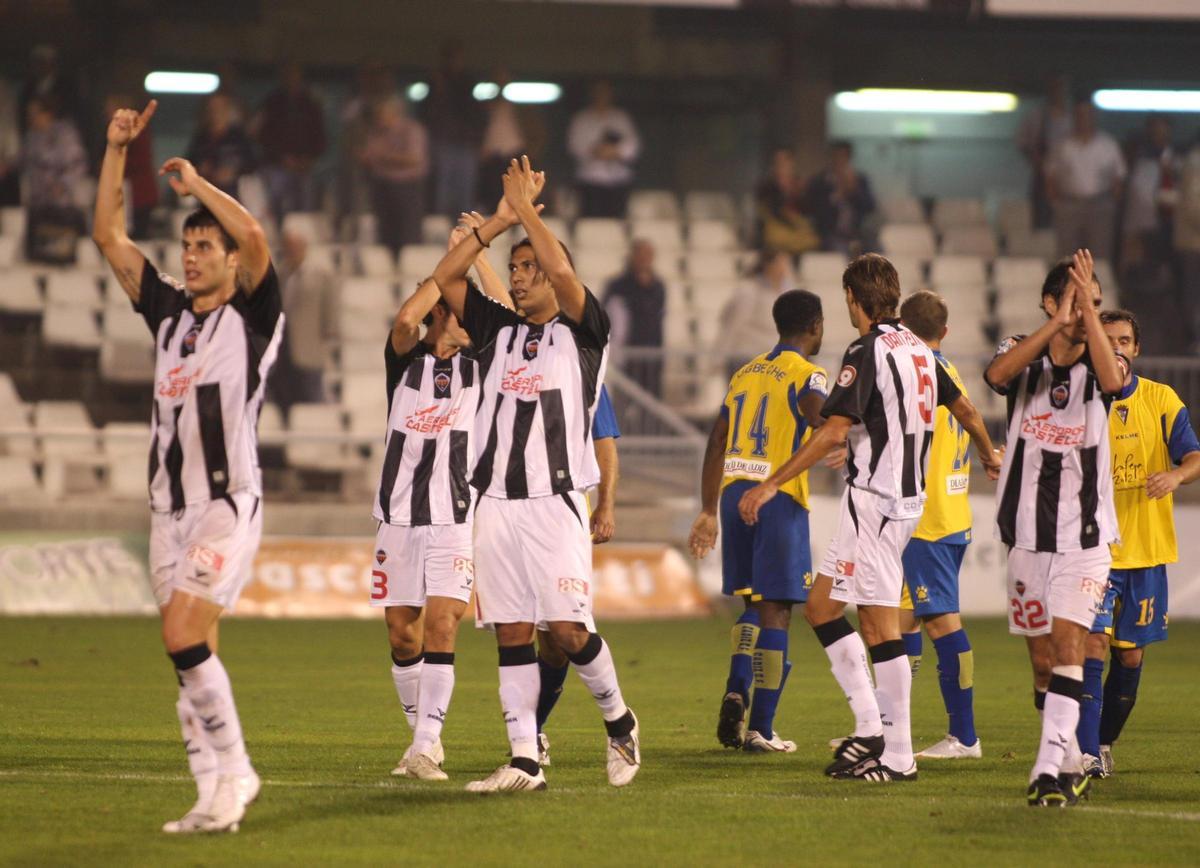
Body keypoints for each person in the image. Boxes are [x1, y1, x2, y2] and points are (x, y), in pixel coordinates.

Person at [93, 101, 283, 832]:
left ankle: (237, 771)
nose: (194, 254)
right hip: (165, 514)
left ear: (232, 263)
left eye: (208, 246)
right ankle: (211, 797)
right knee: (188, 651)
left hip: (225, 504)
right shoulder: (168, 315)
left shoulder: (253, 316)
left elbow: (258, 233)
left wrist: (200, 186)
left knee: (181, 633)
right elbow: (109, 233)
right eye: (189, 246)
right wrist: (117, 151)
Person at [738, 254, 999, 783]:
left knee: (880, 625)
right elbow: (966, 410)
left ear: (853, 299)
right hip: (889, 500)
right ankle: (869, 728)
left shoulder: (869, 349)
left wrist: (770, 483)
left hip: (878, 504)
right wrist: (989, 452)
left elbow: (832, 429)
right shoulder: (923, 352)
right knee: (821, 607)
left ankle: (897, 754)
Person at [431, 155, 640, 792]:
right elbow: (445, 276)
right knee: (514, 635)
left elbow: (562, 269)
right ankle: (523, 759)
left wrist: (524, 213)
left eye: (529, 270)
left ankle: (620, 723)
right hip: (493, 502)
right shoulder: (496, 332)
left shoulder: (583, 335)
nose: (520, 280)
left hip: (554, 502)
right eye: (515, 271)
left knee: (571, 632)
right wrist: (496, 222)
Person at [983, 250, 1124, 807]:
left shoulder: (1103, 360)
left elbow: (1114, 381)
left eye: (1094, 302)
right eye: (1072, 298)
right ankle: (1065, 758)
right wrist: (1059, 319)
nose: (1085, 311)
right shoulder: (1020, 354)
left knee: (1071, 643)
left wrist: (1086, 311)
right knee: (1043, 661)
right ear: (1048, 302)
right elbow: (996, 375)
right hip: (1024, 535)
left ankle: (1047, 771)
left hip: (1085, 538)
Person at [688, 289, 831, 754]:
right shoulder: (809, 374)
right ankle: (762, 729)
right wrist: (836, 437)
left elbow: (716, 441)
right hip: (777, 496)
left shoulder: (745, 373)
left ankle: (736, 688)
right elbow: (818, 417)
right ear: (816, 326)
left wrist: (709, 510)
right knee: (778, 611)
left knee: (752, 603)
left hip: (733, 494)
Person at [372, 221, 489, 783]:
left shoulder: (482, 370)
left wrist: (472, 253)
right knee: (403, 634)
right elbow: (402, 321)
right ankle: (422, 740)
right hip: (397, 518)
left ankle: (425, 744)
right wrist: (441, 277)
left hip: (452, 519)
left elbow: (501, 314)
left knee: (443, 627)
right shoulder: (405, 365)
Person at [1076, 310, 1200, 778]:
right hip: (1096, 555)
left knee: (1129, 656)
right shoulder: (1084, 401)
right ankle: (1085, 753)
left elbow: (1194, 456)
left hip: (1145, 554)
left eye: (1125, 340)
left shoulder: (1161, 399)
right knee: (1092, 645)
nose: (1118, 348)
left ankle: (1103, 742)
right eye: (1107, 342)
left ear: (1137, 348)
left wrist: (1175, 474)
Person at [894, 290, 982, 760]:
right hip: (951, 512)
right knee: (899, 617)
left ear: (901, 329)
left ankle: (964, 737)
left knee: (941, 622)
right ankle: (892, 733)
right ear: (944, 332)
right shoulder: (950, 371)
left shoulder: (917, 373)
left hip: (928, 520)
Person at [533, 383, 622, 767]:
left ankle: (620, 720)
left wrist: (605, 504)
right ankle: (529, 735)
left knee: (566, 633)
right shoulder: (507, 363)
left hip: (562, 509)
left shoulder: (584, 373)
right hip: (510, 511)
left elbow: (603, 441)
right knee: (531, 634)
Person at [1046, 102, 1126, 262]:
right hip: (1069, 204)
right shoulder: (1062, 145)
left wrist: (1111, 202)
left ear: (1093, 117)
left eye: (1087, 115)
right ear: (1075, 118)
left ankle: (1097, 286)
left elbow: (1119, 176)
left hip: (1100, 204)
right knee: (1067, 256)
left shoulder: (1108, 144)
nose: (1084, 119)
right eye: (1080, 115)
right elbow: (1050, 175)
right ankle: (1068, 287)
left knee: (1100, 254)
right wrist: (1055, 202)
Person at [271, 228, 338, 411]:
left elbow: (330, 310)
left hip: (309, 350)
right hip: (283, 353)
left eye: (294, 247)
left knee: (312, 400)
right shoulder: (281, 274)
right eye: (287, 248)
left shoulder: (321, 275)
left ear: (304, 248)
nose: (291, 252)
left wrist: (328, 333)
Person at [253, 62, 327, 224]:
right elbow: (263, 134)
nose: (291, 78)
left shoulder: (310, 103)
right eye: (287, 74)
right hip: (276, 164)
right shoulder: (273, 102)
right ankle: (278, 237)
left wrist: (308, 159)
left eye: (294, 74)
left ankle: (303, 240)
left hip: (305, 165)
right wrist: (282, 158)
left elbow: (319, 134)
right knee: (276, 204)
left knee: (305, 206)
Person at [21, 95, 87, 264]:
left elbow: (77, 165)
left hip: (61, 203)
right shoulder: (31, 137)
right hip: (38, 203)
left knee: (61, 251)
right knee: (37, 253)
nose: (32, 118)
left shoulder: (65, 134)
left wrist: (63, 184)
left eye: (35, 113)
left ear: (47, 114)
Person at [359, 97, 428, 256]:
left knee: (408, 232)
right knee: (385, 233)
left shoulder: (412, 130)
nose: (379, 118)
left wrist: (385, 157)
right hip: (382, 186)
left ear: (395, 113)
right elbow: (369, 155)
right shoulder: (376, 132)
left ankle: (410, 266)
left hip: (408, 187)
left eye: (382, 114)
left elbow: (415, 158)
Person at [714, 250, 794, 379]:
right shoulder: (748, 291)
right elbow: (732, 326)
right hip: (747, 359)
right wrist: (719, 357)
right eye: (781, 264)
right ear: (769, 266)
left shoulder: (787, 292)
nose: (785, 269)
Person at [425, 40, 483, 216]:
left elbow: (474, 114)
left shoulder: (468, 81)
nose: (454, 61)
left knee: (465, 192)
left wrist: (477, 140)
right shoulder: (436, 81)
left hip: (465, 143)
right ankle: (440, 229)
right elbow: (429, 112)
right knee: (442, 191)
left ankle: (464, 230)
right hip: (442, 142)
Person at [567, 81, 640, 218]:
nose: (602, 96)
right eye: (598, 93)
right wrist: (597, 151)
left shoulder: (621, 118)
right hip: (590, 180)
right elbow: (575, 146)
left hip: (619, 180)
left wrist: (614, 152)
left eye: (605, 93)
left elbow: (633, 146)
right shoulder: (582, 119)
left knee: (618, 221)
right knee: (592, 222)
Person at [604, 239, 666, 397]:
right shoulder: (617, 286)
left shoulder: (658, 286)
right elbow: (607, 315)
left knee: (652, 400)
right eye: (641, 255)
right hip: (625, 355)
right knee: (624, 399)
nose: (645, 259)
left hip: (652, 355)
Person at [1016, 76, 1073, 230]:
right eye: (1054, 88)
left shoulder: (1072, 117)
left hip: (1068, 175)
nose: (1057, 92)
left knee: (1067, 219)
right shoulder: (1037, 115)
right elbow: (1023, 143)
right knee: (1040, 219)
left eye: (1060, 88)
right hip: (1042, 175)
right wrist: (1037, 162)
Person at [802, 141, 876, 254]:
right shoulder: (819, 182)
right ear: (831, 157)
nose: (840, 161)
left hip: (856, 232)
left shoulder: (859, 180)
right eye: (837, 157)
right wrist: (836, 197)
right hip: (830, 233)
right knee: (839, 251)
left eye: (844, 157)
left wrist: (853, 191)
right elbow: (812, 209)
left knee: (876, 250)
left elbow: (870, 206)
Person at [102, 93, 159, 238]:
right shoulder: (110, 137)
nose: (107, 114)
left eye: (112, 111)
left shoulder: (138, 131)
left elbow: (140, 161)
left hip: (139, 196)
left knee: (138, 238)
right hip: (121, 194)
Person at [186, 93, 257, 199]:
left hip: (235, 195)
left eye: (221, 107)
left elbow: (253, 163)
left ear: (229, 109)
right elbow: (188, 162)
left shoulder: (238, 137)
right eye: (213, 107)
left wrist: (234, 172)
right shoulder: (202, 137)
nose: (217, 111)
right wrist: (200, 169)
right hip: (205, 194)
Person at [755, 148, 818, 255]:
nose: (781, 165)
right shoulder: (766, 186)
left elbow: (808, 209)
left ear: (792, 163)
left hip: (799, 229)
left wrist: (798, 192)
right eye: (778, 162)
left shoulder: (799, 184)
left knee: (811, 239)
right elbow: (770, 211)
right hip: (776, 228)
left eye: (785, 161)